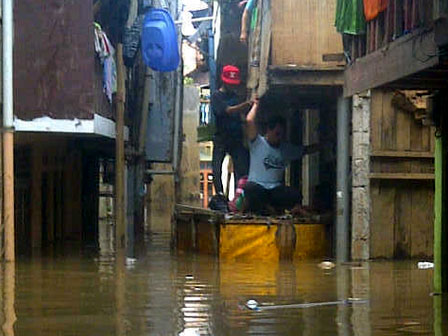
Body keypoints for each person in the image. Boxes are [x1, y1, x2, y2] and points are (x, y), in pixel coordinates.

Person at [243, 98, 315, 214]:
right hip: (258, 187)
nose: (279, 137)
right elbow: (249, 120)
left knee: (295, 195)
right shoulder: (257, 142)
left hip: (275, 190)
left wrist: (326, 144)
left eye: (281, 134)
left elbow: (305, 150)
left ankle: (275, 209)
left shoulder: (285, 149)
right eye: (277, 134)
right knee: (251, 190)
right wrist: (255, 105)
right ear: (268, 131)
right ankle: (267, 209)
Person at [211, 65, 252, 197]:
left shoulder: (236, 96)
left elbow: (242, 117)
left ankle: (239, 200)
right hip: (221, 138)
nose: (233, 86)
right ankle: (220, 196)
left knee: (242, 171)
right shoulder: (216, 96)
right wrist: (244, 106)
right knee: (216, 170)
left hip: (237, 138)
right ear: (224, 81)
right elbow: (227, 110)